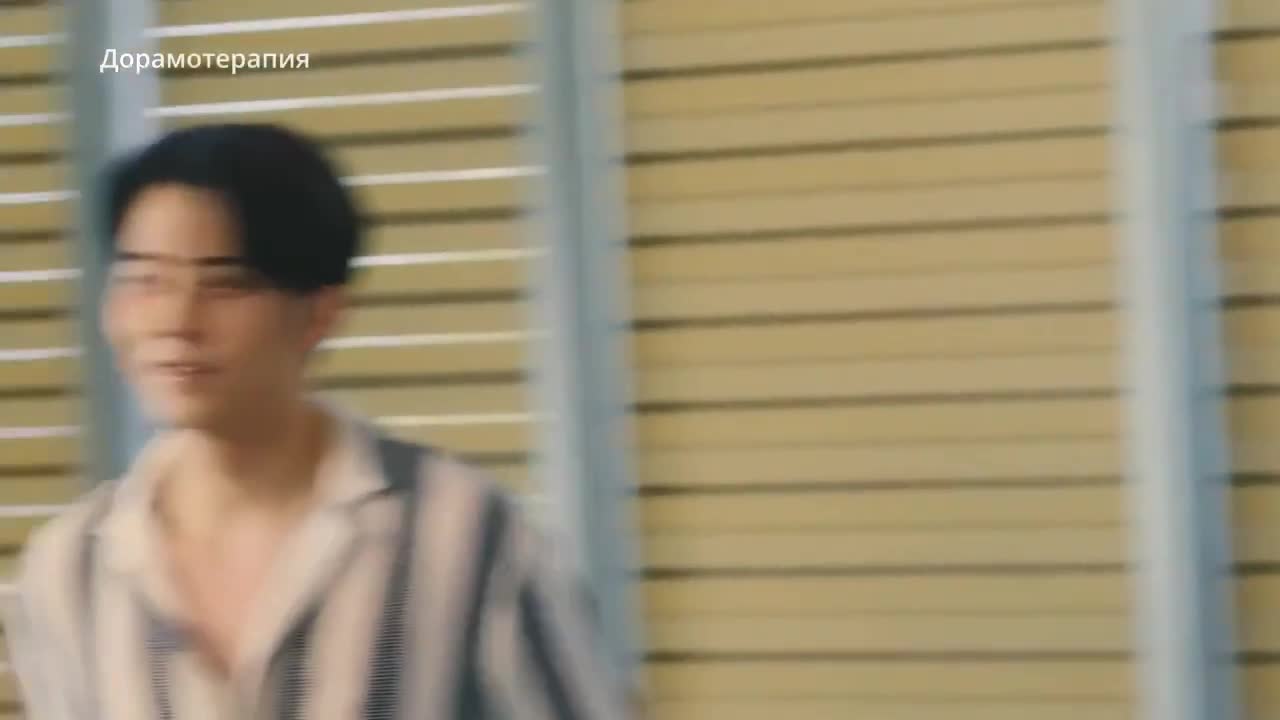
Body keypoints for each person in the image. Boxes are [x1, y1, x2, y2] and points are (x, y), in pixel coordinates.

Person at [5, 123, 632, 719]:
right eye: (144, 279)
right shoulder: (68, 570)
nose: (177, 321)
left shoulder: (466, 537)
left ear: (320, 313)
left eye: (226, 285)